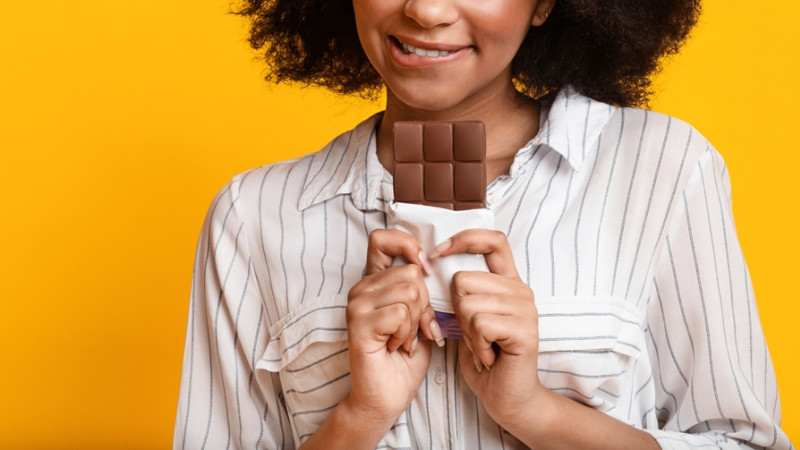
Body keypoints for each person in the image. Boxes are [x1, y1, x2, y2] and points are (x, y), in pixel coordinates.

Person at [173, 0, 793, 448]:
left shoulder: (661, 168)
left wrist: (537, 413)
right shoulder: (253, 215)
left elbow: (744, 443)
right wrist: (359, 417)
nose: (427, 10)